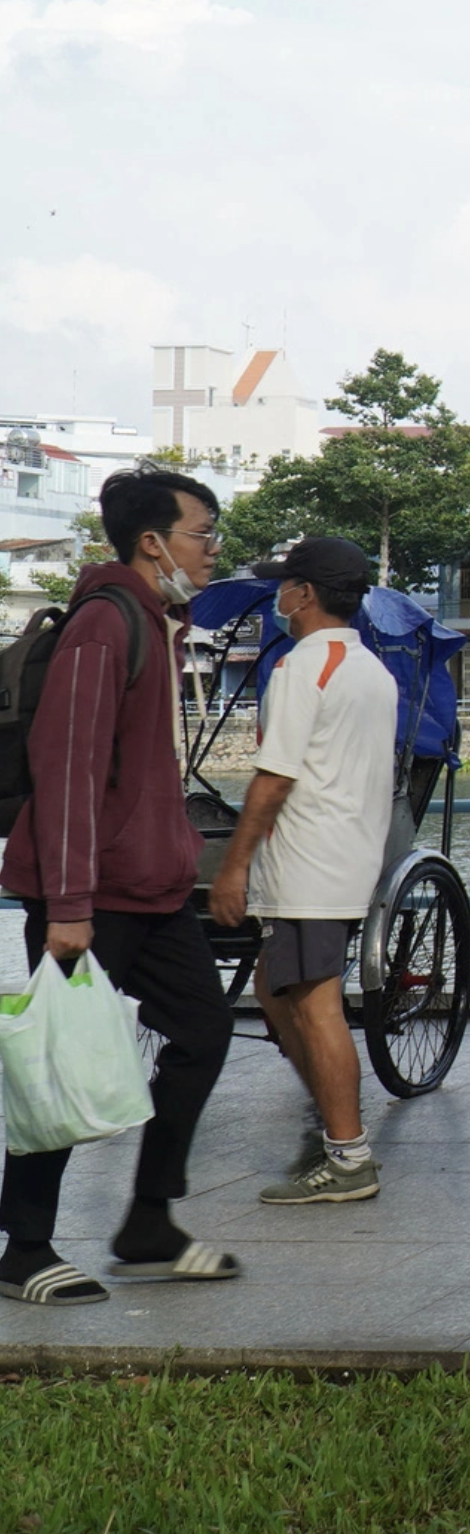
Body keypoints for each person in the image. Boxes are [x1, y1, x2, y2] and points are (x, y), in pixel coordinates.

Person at [0, 468, 239, 1305]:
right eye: (202, 535)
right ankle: (23, 1248)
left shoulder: (155, 623)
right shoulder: (106, 626)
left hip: (151, 888)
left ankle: (148, 1222)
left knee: (204, 1034)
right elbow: (62, 769)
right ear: (152, 542)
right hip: (90, 894)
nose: (211, 552)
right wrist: (65, 906)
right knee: (60, 1064)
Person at [207, 536, 398, 1206]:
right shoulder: (372, 669)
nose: (278, 596)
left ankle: (348, 1154)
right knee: (278, 989)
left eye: (284, 585)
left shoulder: (301, 666)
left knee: (315, 1006)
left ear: (305, 594)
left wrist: (234, 868)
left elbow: (273, 778)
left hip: (310, 864)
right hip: (347, 855)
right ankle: (333, 1122)